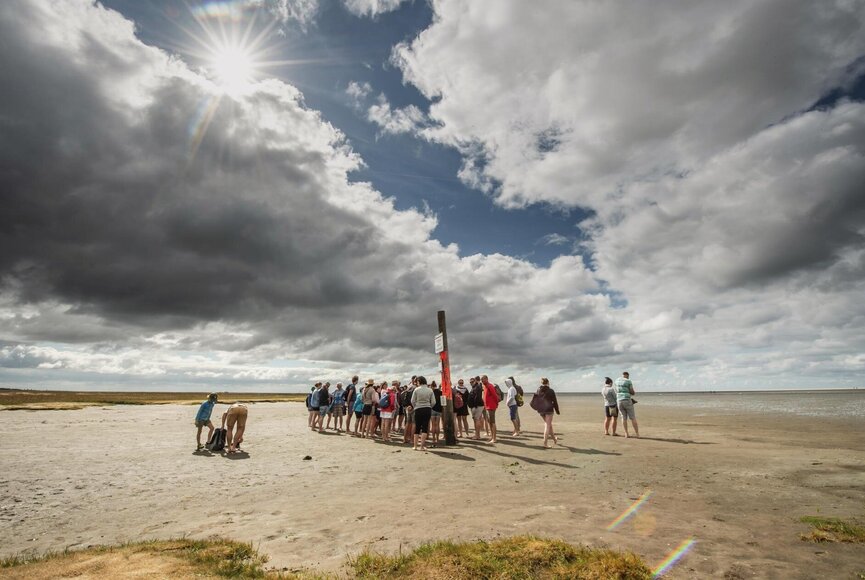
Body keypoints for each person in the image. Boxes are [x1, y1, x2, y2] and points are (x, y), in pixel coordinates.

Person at [533, 378, 560, 448]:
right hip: (549, 410)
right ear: (548, 382)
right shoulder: (551, 391)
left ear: (541, 383)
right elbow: (555, 401)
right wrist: (557, 411)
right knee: (547, 426)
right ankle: (545, 443)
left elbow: (536, 399)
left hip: (541, 410)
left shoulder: (538, 390)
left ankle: (554, 439)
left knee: (549, 425)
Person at [411, 376, 434, 451]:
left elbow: (412, 401)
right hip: (427, 409)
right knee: (425, 427)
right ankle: (422, 446)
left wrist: (415, 406)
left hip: (418, 409)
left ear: (419, 381)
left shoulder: (416, 390)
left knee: (417, 427)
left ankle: (415, 446)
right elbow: (433, 402)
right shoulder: (430, 390)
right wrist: (429, 406)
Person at [615, 371, 639, 438]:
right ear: (627, 375)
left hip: (619, 400)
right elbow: (632, 392)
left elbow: (616, 390)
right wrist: (631, 392)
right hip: (627, 399)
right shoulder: (628, 381)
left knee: (623, 417)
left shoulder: (616, 381)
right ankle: (637, 434)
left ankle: (626, 433)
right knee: (632, 417)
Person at [480, 375, 499, 444]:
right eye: (481, 380)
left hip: (491, 407)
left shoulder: (490, 386)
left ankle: (494, 438)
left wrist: (496, 404)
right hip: (487, 407)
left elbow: (495, 396)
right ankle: (492, 437)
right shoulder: (485, 386)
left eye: (483, 379)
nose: (482, 381)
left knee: (492, 422)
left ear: (486, 379)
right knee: (489, 422)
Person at [430, 381, 443, 446]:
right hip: (439, 410)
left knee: (433, 425)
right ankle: (437, 439)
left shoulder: (431, 393)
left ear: (432, 386)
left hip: (432, 409)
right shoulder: (440, 392)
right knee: (437, 424)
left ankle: (433, 439)